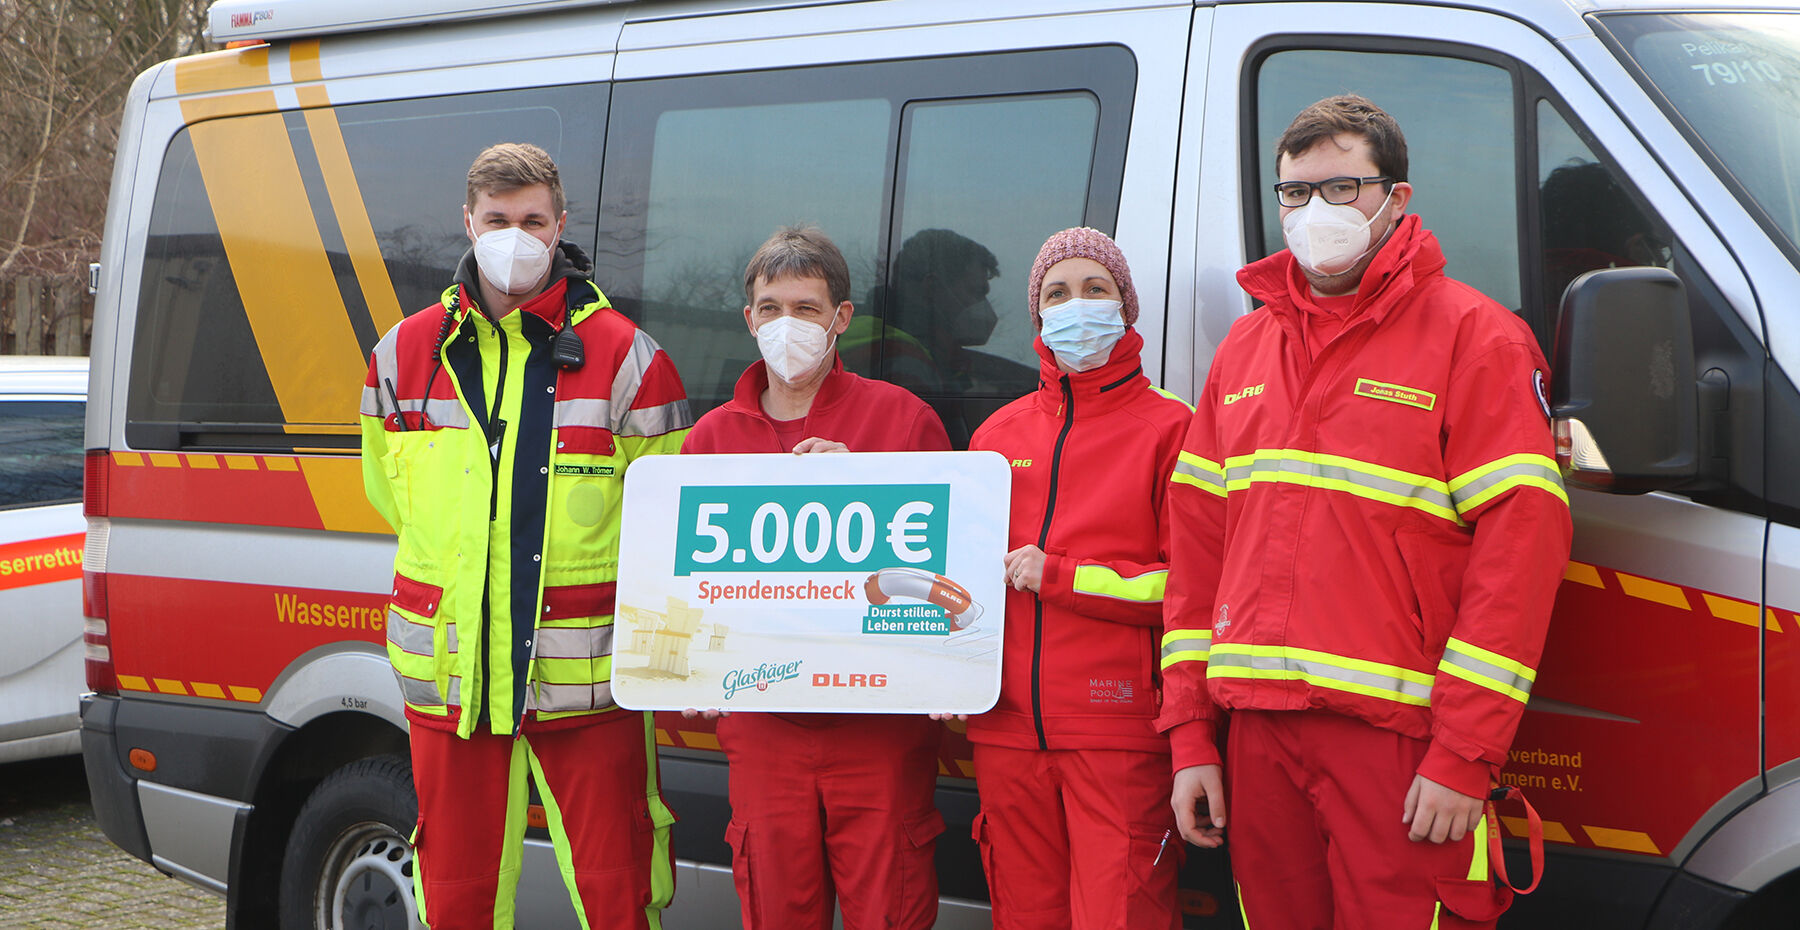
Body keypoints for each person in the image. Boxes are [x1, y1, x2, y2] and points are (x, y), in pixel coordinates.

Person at [1158, 95, 1572, 928]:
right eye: (1295, 192)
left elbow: (1520, 558)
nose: (1316, 211)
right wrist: (1191, 736)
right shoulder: (1246, 348)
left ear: (1396, 198)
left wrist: (1464, 753)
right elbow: (1198, 560)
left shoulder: (1476, 338)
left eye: (1342, 188)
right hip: (1259, 741)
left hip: (1404, 748)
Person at [360, 142, 692, 930]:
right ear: (468, 222)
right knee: (456, 901)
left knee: (619, 897)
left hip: (591, 692)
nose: (516, 236)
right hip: (454, 689)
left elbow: (675, 524)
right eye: (499, 219)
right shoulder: (401, 355)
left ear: (561, 226)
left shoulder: (629, 359)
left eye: (533, 221)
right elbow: (390, 498)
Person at [680, 225, 951, 930]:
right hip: (762, 731)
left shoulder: (903, 422)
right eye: (771, 308)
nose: (787, 324)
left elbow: (947, 577)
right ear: (749, 319)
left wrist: (864, 485)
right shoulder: (709, 441)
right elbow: (686, 591)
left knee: (889, 913)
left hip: (881, 731)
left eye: (806, 308)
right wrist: (689, 672)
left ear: (841, 318)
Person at [962, 227, 1191, 929]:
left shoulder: (1172, 427)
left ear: (1126, 306)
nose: (1077, 305)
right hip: (1005, 734)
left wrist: (1061, 576)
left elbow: (1190, 590)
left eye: (1096, 288)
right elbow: (960, 583)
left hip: (1118, 731)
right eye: (1057, 293)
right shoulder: (995, 437)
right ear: (1038, 315)